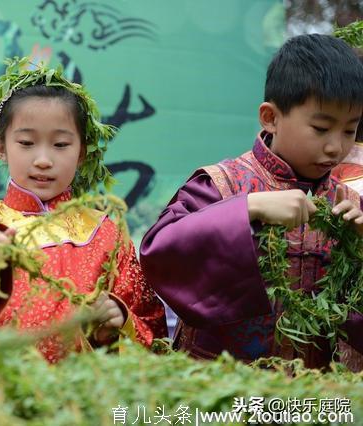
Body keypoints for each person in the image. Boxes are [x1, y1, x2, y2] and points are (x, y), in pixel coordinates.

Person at [0, 57, 167, 363]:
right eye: (27, 143)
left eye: (60, 145)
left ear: (82, 153)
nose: (43, 160)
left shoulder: (106, 233)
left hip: (81, 399)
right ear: (1, 146)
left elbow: (153, 331)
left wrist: (118, 322)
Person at [139, 34, 363, 369]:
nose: (336, 147)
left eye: (350, 131)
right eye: (320, 128)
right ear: (270, 117)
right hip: (223, 389)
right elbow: (160, 251)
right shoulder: (220, 184)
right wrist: (247, 209)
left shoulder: (349, 202)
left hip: (315, 394)